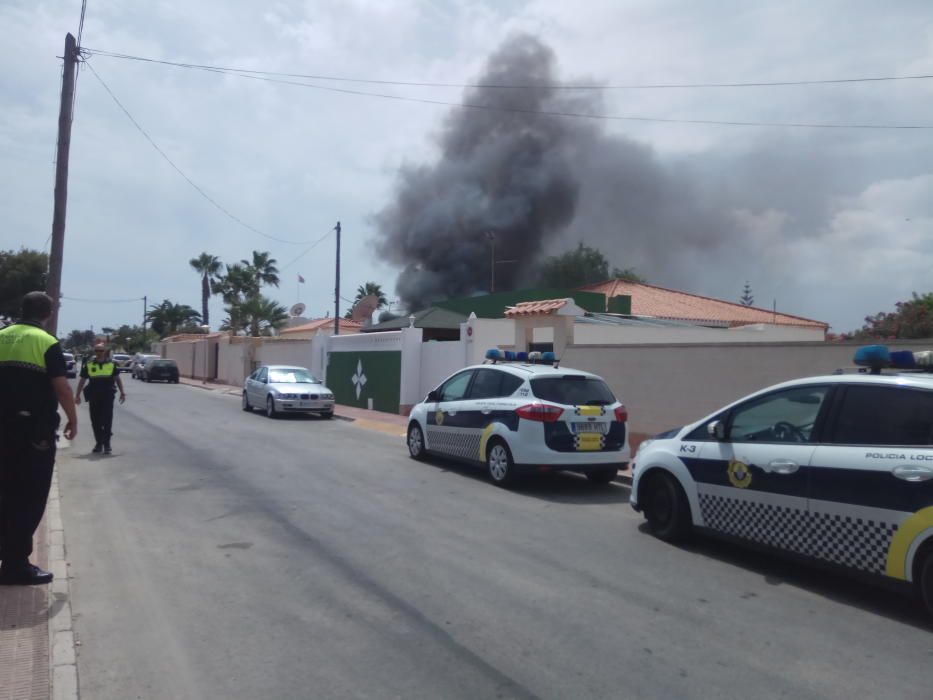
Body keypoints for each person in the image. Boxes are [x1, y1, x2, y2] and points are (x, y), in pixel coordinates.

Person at [0, 291, 77, 585]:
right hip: (32, 432)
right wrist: (73, 417)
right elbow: (62, 389)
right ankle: (15, 565)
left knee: (4, 491)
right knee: (29, 495)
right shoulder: (46, 342)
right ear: (48, 313)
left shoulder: (2, 334)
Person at [75, 342, 126, 454]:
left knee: (107, 420)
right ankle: (99, 443)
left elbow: (117, 379)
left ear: (105, 351)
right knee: (95, 420)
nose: (99, 353)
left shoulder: (111, 364)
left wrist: (122, 392)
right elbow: (82, 380)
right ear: (94, 352)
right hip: (94, 396)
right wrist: (77, 395)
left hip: (107, 396)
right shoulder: (89, 364)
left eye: (101, 351)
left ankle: (107, 444)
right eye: (97, 351)